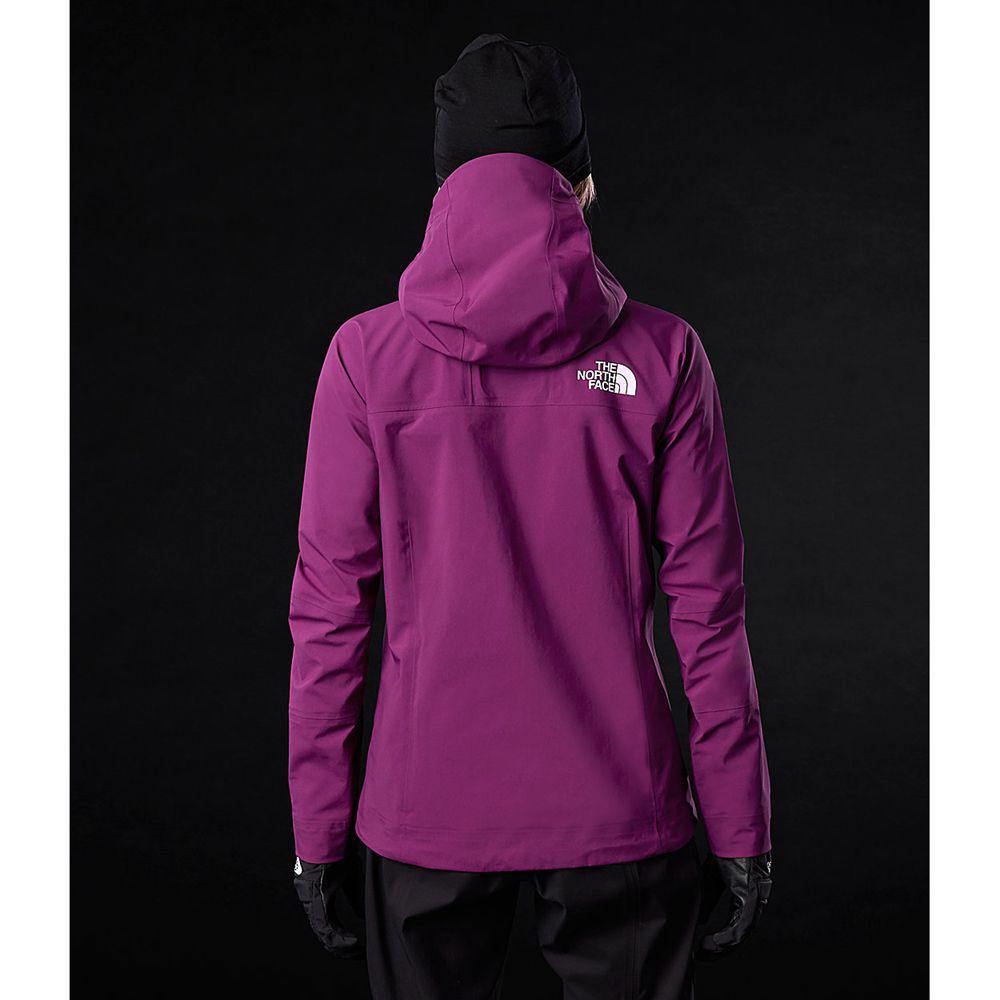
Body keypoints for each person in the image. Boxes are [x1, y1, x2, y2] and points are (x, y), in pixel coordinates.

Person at [288, 34, 772, 1000]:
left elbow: (331, 614)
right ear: (581, 184)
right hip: (619, 811)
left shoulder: (364, 358)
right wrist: (741, 828)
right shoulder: (664, 356)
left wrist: (317, 834)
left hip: (424, 812)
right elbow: (709, 616)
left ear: (443, 186)